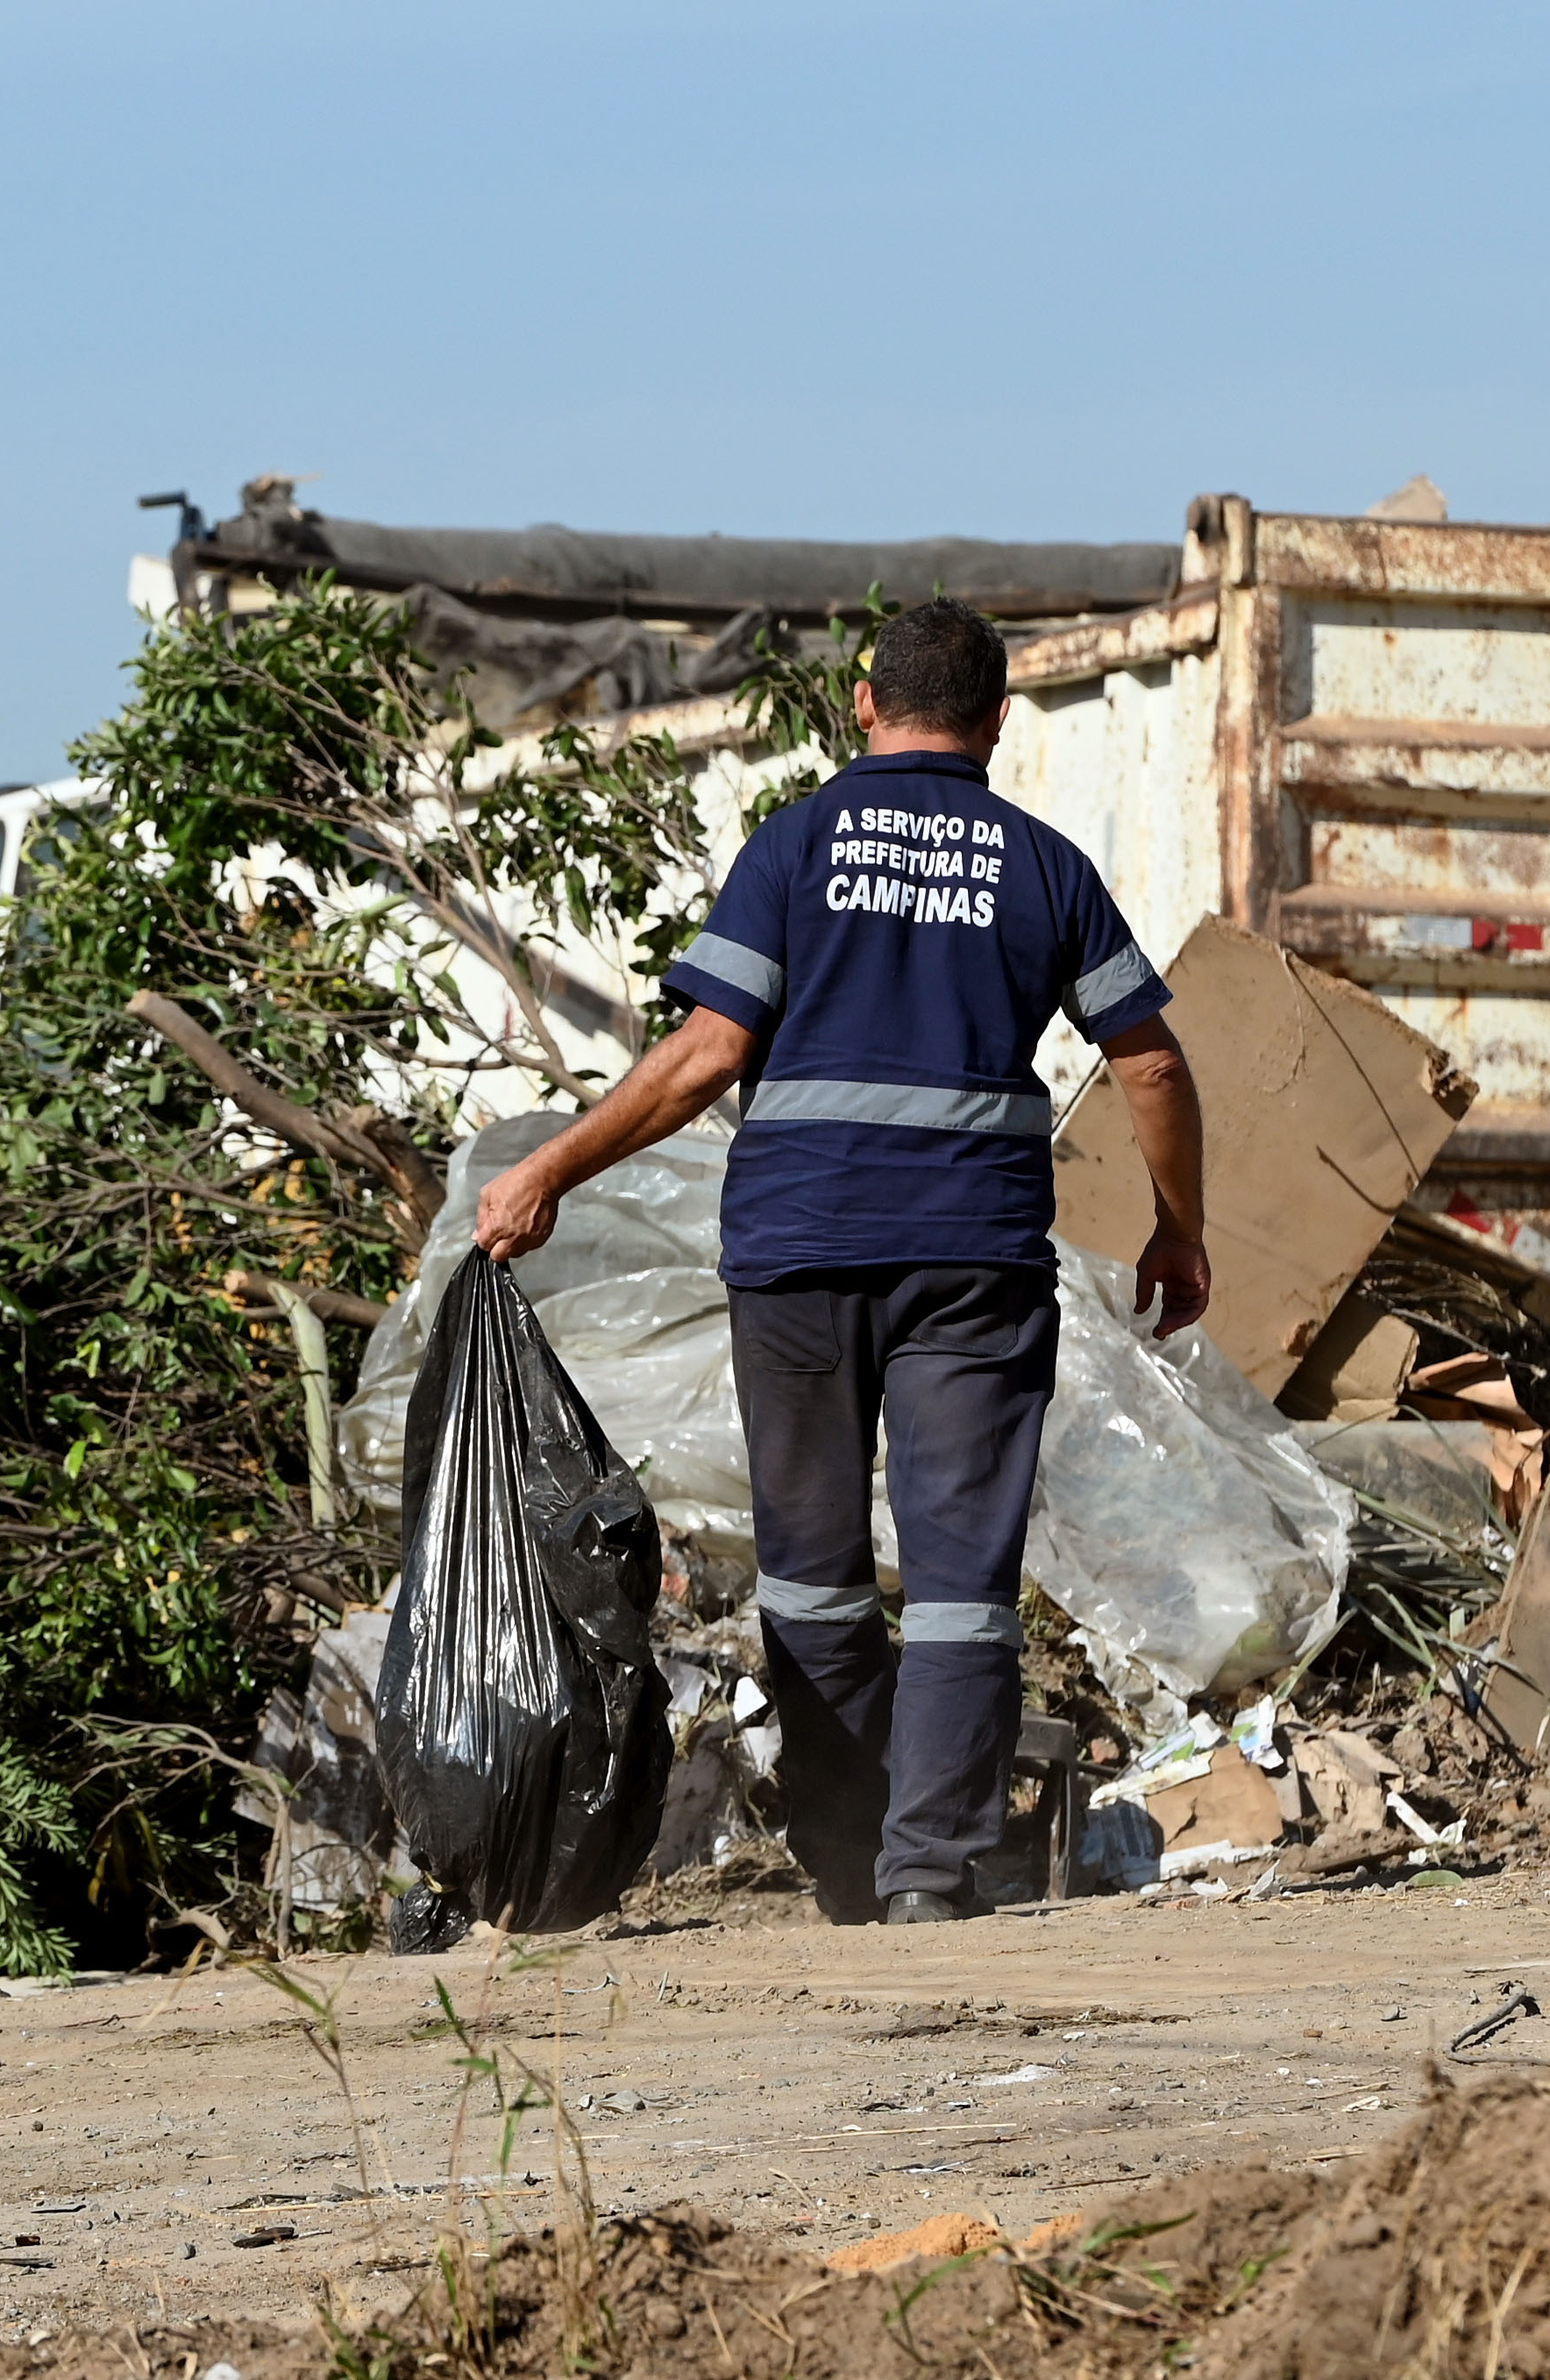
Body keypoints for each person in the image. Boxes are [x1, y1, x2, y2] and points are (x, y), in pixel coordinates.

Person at [469, 596, 1209, 1925]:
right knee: (963, 1579)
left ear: (864, 706)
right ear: (995, 722)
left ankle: (847, 1851)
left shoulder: (796, 846)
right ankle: (929, 1870)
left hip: (800, 1257)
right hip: (973, 1267)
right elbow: (1147, 1056)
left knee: (810, 1568)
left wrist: (544, 1171)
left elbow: (705, 1053)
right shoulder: (1042, 864)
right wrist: (1180, 1226)